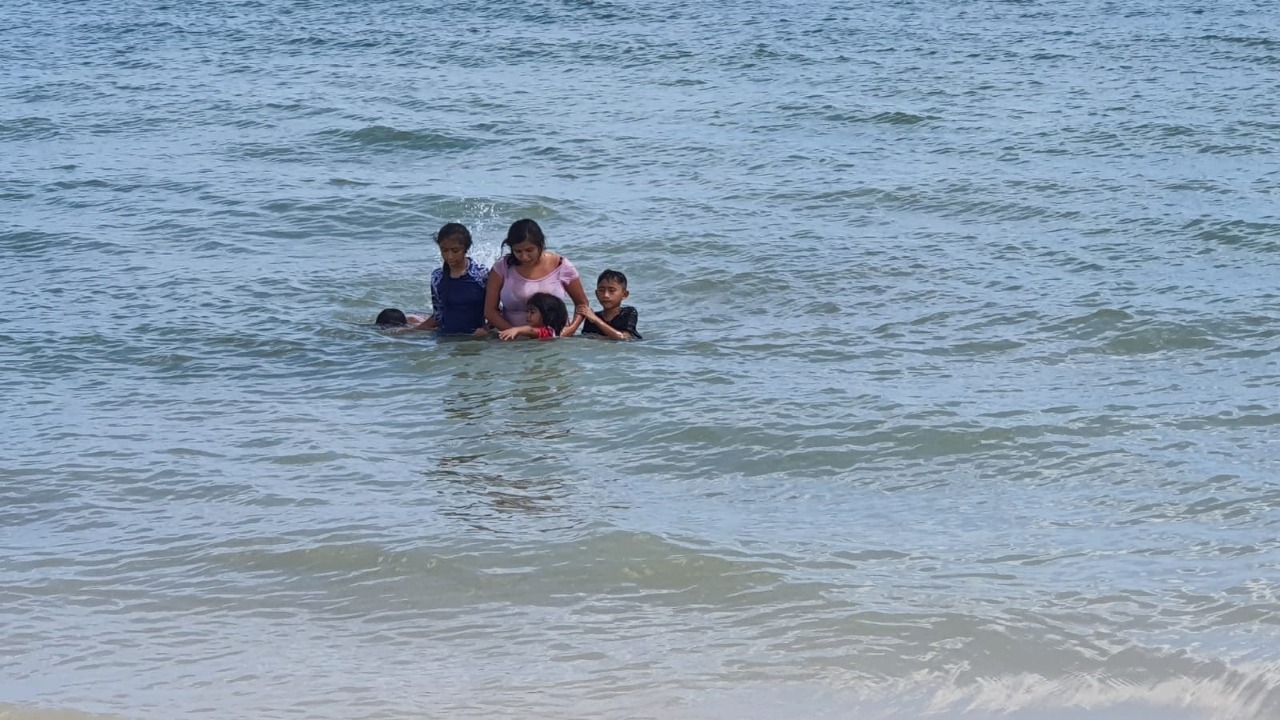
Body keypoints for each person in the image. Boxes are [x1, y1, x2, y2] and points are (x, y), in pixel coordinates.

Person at [484, 219, 588, 336]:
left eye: (529, 250)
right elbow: (490, 311)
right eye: (517, 251)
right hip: (511, 342)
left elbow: (581, 304)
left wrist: (571, 329)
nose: (524, 256)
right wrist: (515, 333)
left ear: (540, 244)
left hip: (554, 340)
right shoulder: (502, 267)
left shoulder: (561, 265)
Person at [410, 222, 489, 336]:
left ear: (466, 248)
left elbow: (495, 311)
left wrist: (486, 329)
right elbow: (438, 316)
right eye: (444, 250)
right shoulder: (437, 277)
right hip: (445, 342)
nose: (449, 256)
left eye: (455, 251)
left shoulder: (481, 274)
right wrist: (411, 332)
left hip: (475, 341)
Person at [576, 269, 642, 340]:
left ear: (624, 295)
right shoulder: (591, 318)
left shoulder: (628, 313)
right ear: (596, 294)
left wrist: (596, 320)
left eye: (611, 290)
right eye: (601, 290)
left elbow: (623, 338)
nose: (605, 295)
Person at [497, 293, 567, 341]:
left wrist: (517, 330)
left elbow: (531, 331)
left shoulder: (549, 332)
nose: (528, 315)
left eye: (532, 312)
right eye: (527, 311)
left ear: (547, 315)